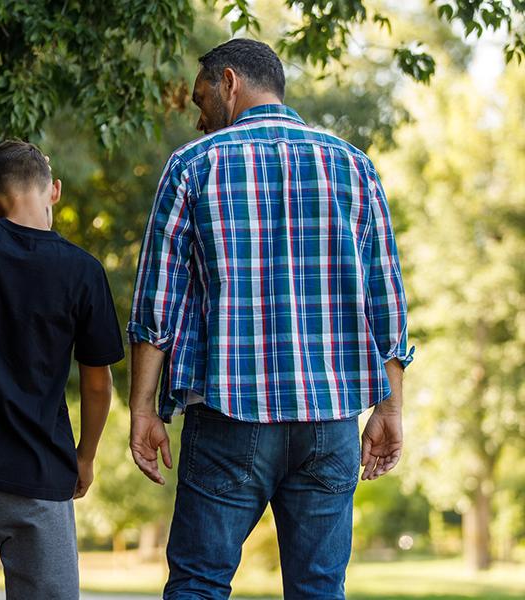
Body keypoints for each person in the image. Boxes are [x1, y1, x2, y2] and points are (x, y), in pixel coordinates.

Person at [128, 39, 414, 599]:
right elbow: (387, 307)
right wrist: (389, 407)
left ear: (229, 82)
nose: (198, 114)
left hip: (228, 416)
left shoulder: (194, 165)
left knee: (198, 585)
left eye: (200, 96)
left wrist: (143, 408)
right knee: (319, 590)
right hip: (330, 422)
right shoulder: (354, 167)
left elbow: (156, 305)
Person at [0, 140, 124, 599]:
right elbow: (97, 383)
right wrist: (85, 456)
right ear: (55, 190)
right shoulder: (84, 270)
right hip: (43, 477)